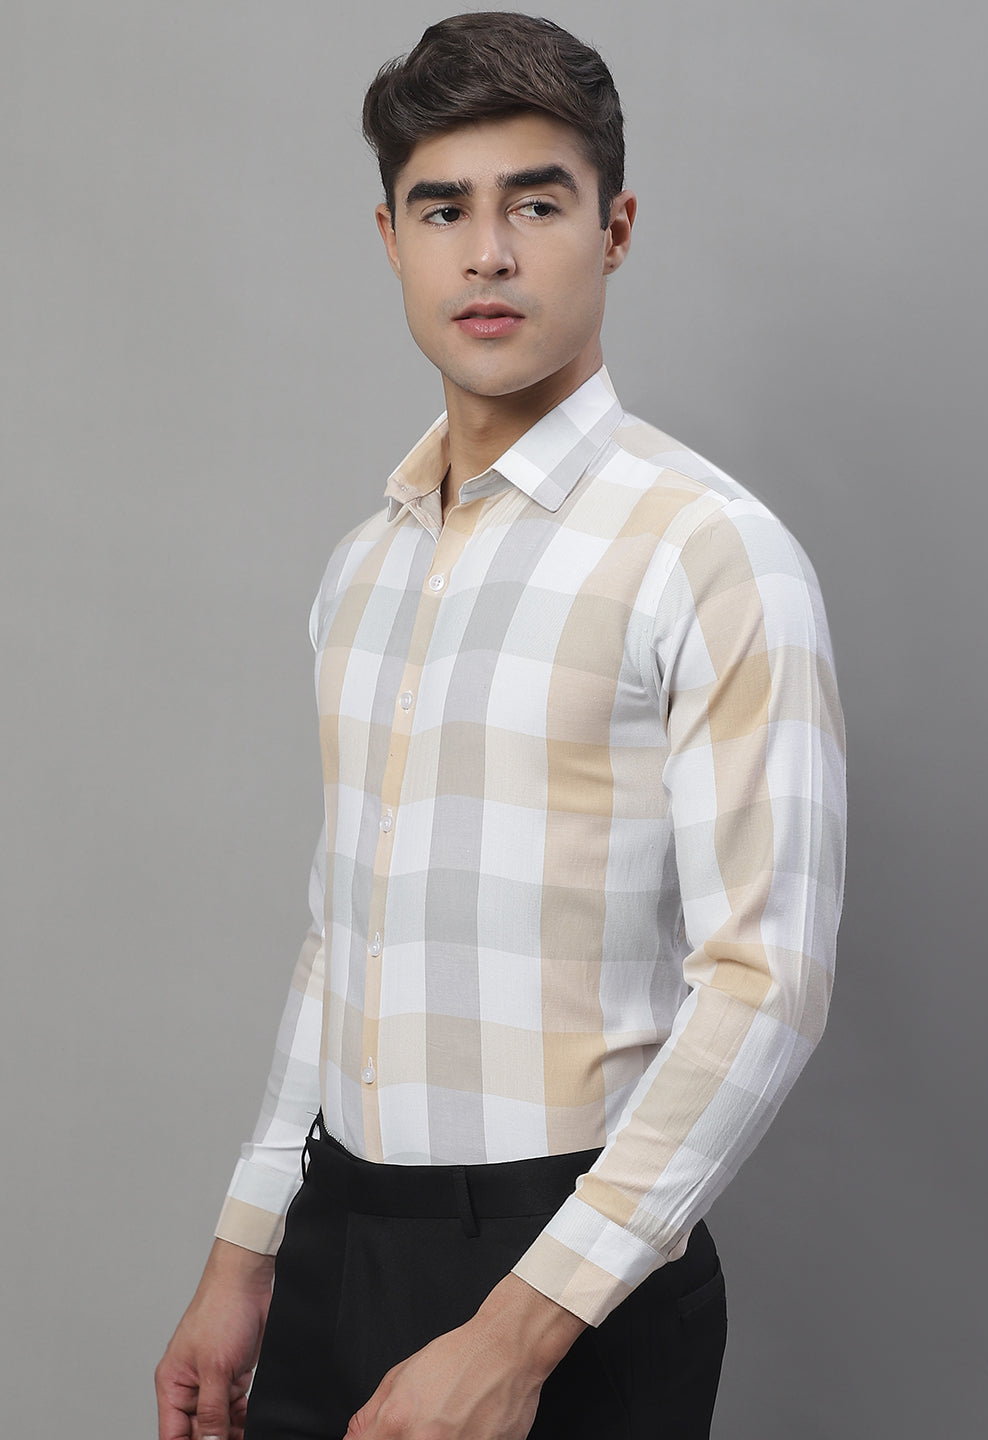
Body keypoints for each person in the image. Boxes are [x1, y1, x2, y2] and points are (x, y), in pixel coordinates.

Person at [155, 13, 846, 1440]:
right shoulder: (364, 568)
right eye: (443, 210)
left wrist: (519, 1336)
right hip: (336, 1226)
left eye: (536, 204)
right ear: (391, 239)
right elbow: (344, 932)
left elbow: (764, 982)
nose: (487, 254)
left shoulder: (710, 553)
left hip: (574, 1258)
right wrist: (247, 1247)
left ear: (614, 228)